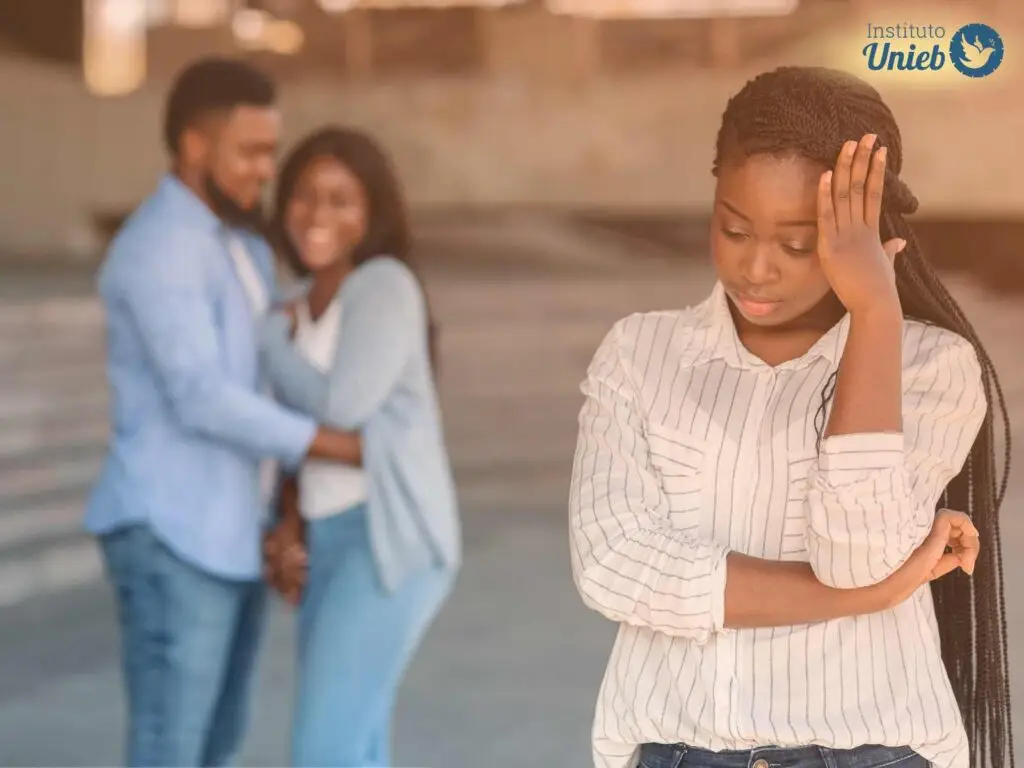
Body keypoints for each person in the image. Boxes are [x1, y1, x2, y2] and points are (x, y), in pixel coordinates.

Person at [568, 66, 1013, 768]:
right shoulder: (639, 353)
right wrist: (883, 592)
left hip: (871, 753)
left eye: (799, 243)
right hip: (676, 752)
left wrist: (874, 313)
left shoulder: (932, 369)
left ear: (862, 230)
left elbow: (855, 554)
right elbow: (613, 568)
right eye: (734, 229)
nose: (756, 269)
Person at [86, 58, 363, 767]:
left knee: (215, 748)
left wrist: (280, 517)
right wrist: (334, 445)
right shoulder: (157, 250)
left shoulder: (240, 246)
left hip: (230, 535)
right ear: (195, 147)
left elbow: (262, 382)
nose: (266, 171)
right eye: (251, 151)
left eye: (271, 150)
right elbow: (202, 397)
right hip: (170, 536)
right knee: (169, 750)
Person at [259, 126, 461, 767]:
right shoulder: (292, 303)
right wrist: (289, 527)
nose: (318, 214)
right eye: (304, 195)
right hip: (324, 537)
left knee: (325, 749)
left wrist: (267, 343)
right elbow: (289, 440)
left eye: (340, 198)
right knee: (355, 745)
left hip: (386, 539)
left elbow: (341, 408)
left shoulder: (383, 285)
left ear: (371, 211)